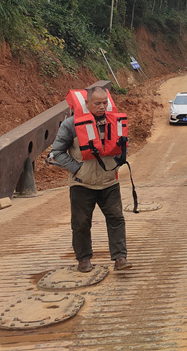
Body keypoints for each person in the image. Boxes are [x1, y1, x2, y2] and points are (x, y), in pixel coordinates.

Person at [49, 86, 132, 273]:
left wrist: (117, 164)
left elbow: (124, 145)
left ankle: (120, 258)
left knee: (116, 218)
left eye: (105, 103)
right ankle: (84, 259)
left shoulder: (114, 121)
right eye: (98, 103)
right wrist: (77, 169)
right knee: (80, 223)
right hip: (81, 184)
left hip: (109, 182)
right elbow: (56, 153)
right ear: (87, 104)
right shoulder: (71, 124)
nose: (102, 107)